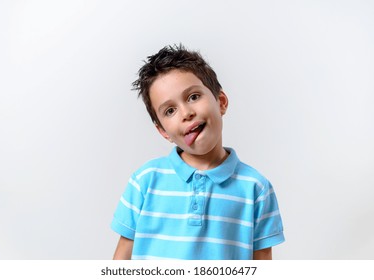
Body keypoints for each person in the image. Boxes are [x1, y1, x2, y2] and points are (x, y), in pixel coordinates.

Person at [111, 44, 285, 260]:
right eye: (170, 110)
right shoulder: (144, 181)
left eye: (193, 97)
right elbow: (121, 259)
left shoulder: (256, 188)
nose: (186, 113)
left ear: (221, 102)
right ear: (163, 131)